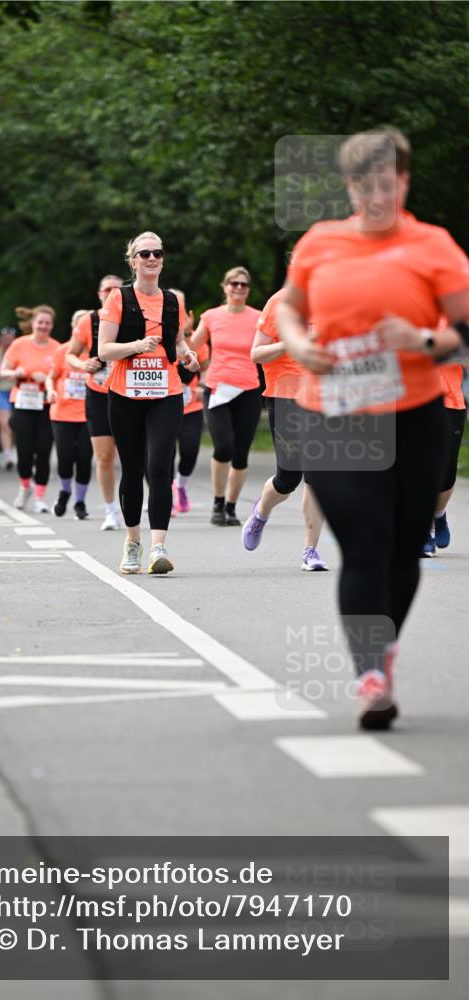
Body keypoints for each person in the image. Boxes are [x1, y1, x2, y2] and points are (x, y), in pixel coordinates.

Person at [277, 128, 469, 730]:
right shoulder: (320, 243)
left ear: (405, 182)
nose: (376, 195)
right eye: (364, 184)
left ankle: (382, 648)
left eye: (388, 182)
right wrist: (299, 341)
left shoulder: (434, 246)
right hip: (333, 412)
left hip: (413, 415)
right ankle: (371, 675)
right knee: (362, 543)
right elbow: (288, 303)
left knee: (400, 548)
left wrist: (426, 341)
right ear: (349, 186)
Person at [98, 231, 199, 574]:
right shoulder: (117, 298)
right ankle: (132, 543)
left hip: (165, 393)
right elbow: (104, 350)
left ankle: (158, 548)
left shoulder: (173, 301)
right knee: (133, 468)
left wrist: (188, 355)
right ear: (133, 260)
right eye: (145, 254)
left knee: (160, 466)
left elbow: (178, 341)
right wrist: (137, 345)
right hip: (124, 393)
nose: (152, 258)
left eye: (157, 253)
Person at [242, 287, 328, 570]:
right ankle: (262, 511)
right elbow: (256, 353)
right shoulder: (279, 303)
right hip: (285, 395)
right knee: (289, 478)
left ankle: (310, 551)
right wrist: (290, 344)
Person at [190, 267, 262, 525]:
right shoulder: (210, 317)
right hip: (218, 388)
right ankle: (218, 502)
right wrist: (185, 334)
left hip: (249, 389)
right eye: (234, 283)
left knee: (241, 452)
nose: (239, 288)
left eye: (244, 284)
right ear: (225, 286)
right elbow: (192, 348)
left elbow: (270, 346)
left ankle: (230, 507)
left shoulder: (258, 317)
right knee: (223, 446)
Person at [66, 275, 124, 530]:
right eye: (107, 290)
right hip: (98, 392)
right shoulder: (89, 321)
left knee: (131, 455)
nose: (111, 293)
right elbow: (70, 354)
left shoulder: (134, 316)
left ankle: (131, 504)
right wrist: (83, 364)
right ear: (99, 294)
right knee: (103, 456)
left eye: (117, 289)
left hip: (128, 392)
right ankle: (110, 511)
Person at [0, 305, 59, 512]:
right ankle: (25, 486)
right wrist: (18, 372)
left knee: (43, 450)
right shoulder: (19, 344)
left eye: (47, 323)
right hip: (23, 402)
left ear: (52, 326)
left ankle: (40, 497)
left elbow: (62, 376)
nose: (43, 326)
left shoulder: (56, 348)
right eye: (40, 322)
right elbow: (3, 371)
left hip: (45, 405)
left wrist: (49, 380)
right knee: (24, 453)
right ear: (32, 323)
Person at [46, 311, 93, 520]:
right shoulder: (63, 351)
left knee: (84, 458)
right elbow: (51, 377)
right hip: (62, 413)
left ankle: (80, 501)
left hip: (89, 414)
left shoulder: (97, 351)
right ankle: (65, 491)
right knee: (64, 457)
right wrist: (50, 390)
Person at [168, 289, 210, 513]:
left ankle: (181, 486)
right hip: (164, 402)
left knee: (190, 450)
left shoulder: (196, 340)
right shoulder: (159, 334)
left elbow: (205, 368)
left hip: (191, 404)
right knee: (166, 452)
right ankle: (167, 497)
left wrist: (203, 386)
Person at [423, 357, 467, 555]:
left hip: (450, 401)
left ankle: (439, 514)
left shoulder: (458, 325)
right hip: (414, 400)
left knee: (447, 469)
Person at [0, 326, 17, 469]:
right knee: (4, 424)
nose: (7, 342)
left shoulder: (19, 353)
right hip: (0, 391)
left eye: (10, 339)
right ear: (0, 340)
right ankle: (7, 455)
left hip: (16, 391)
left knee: (13, 425)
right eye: (4, 339)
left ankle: (10, 450)